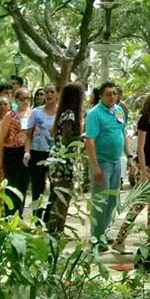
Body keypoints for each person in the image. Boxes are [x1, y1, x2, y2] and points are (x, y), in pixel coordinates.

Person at [113, 92, 150, 251]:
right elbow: (140, 147)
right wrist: (144, 173)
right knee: (138, 206)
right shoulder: (145, 121)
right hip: (145, 168)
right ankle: (119, 239)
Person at [84, 81, 133, 249]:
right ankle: (96, 237)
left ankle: (104, 232)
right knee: (101, 200)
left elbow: (123, 133)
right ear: (101, 96)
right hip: (102, 162)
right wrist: (95, 166)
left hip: (116, 160)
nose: (112, 97)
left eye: (114, 93)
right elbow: (89, 141)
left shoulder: (119, 111)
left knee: (113, 200)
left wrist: (129, 156)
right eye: (108, 94)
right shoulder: (94, 114)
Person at [46, 83, 84, 235]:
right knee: (62, 196)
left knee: (63, 196)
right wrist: (82, 137)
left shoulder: (64, 113)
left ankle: (59, 230)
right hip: (63, 160)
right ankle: (52, 230)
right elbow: (67, 139)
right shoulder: (69, 114)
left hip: (60, 159)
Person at [24, 83, 58, 219]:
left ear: (56, 94)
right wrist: (27, 152)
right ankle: (36, 218)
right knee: (38, 187)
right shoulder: (35, 112)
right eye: (46, 92)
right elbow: (28, 135)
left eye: (51, 91)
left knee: (55, 187)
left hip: (55, 154)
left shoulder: (61, 112)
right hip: (37, 153)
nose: (48, 94)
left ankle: (48, 215)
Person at [0, 87, 31, 216]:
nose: (25, 101)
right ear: (16, 100)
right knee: (11, 185)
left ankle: (18, 215)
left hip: (25, 152)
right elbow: (1, 139)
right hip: (11, 153)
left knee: (23, 184)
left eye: (28, 98)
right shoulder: (9, 115)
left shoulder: (31, 113)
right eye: (22, 99)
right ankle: (9, 215)